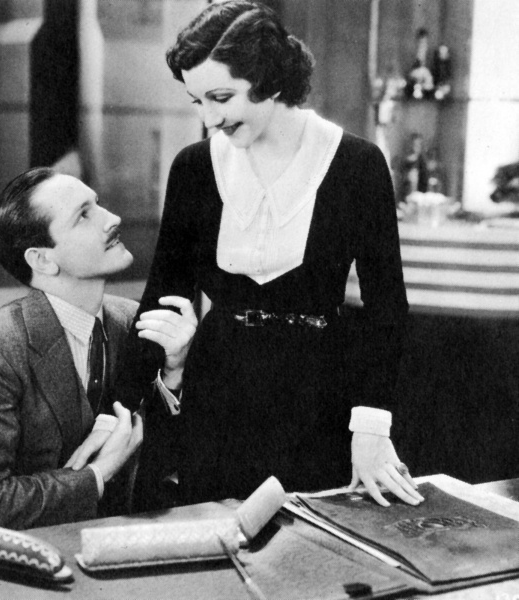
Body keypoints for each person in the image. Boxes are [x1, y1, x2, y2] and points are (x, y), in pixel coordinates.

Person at [114, 0, 423, 510]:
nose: (210, 118)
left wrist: (371, 426)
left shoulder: (357, 164)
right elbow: (162, 296)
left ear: (271, 80)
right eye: (197, 101)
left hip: (320, 393)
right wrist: (118, 409)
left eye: (221, 97)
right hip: (218, 392)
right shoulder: (194, 167)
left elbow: (387, 308)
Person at [0, 167, 196, 529]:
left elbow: (169, 462)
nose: (112, 219)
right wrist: (96, 475)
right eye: (83, 215)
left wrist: (175, 372)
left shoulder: (133, 321)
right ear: (42, 260)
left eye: (97, 204)